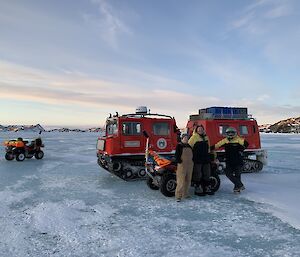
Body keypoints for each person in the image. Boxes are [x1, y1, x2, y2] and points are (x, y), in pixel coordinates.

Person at [211, 127, 249, 193]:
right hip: (229, 161)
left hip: (238, 160)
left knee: (237, 175)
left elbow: (246, 144)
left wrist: (241, 149)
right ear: (227, 133)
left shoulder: (238, 139)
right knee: (228, 174)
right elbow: (217, 145)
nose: (231, 134)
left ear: (235, 133)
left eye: (232, 133)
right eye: (229, 133)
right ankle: (240, 185)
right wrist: (208, 148)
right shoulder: (225, 140)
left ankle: (237, 189)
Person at [188, 125, 214, 196]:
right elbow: (188, 147)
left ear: (203, 130)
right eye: (199, 130)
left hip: (206, 158)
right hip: (197, 159)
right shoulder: (193, 137)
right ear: (196, 131)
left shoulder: (206, 137)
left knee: (207, 173)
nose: (200, 131)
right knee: (198, 174)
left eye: (201, 129)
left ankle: (207, 188)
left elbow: (208, 147)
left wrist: (210, 155)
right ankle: (198, 188)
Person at [174, 133, 193, 202]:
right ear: (182, 138)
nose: (186, 139)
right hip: (182, 165)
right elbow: (176, 155)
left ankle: (185, 194)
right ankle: (178, 196)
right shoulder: (179, 146)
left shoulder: (189, 146)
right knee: (181, 181)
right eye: (184, 138)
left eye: (187, 138)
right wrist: (179, 161)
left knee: (188, 180)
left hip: (190, 165)